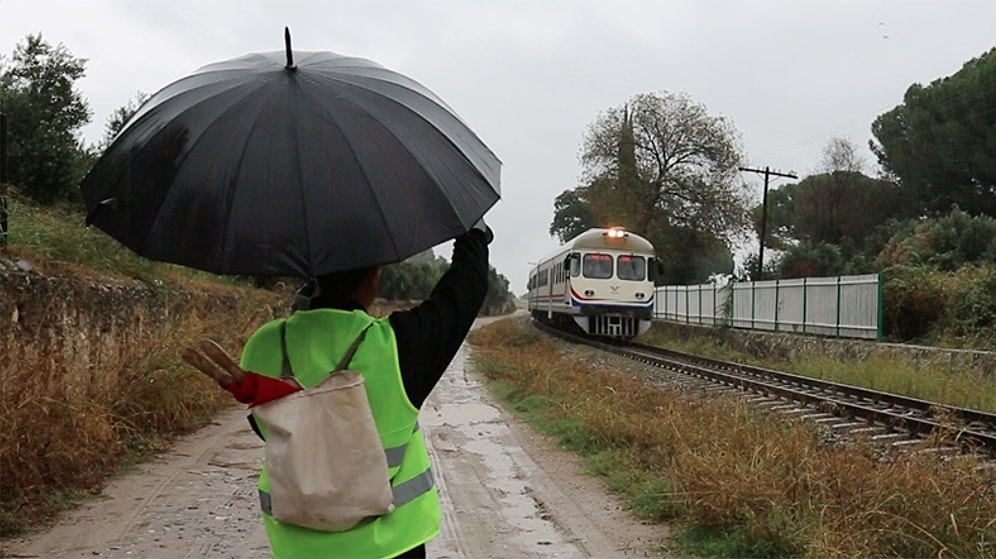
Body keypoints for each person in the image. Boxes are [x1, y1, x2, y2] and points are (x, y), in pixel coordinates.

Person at [188, 220, 492, 559]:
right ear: (374, 274)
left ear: (312, 275)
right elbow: (463, 291)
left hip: (299, 542)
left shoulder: (265, 343)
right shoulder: (396, 345)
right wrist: (473, 235)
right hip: (391, 545)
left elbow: (270, 429)